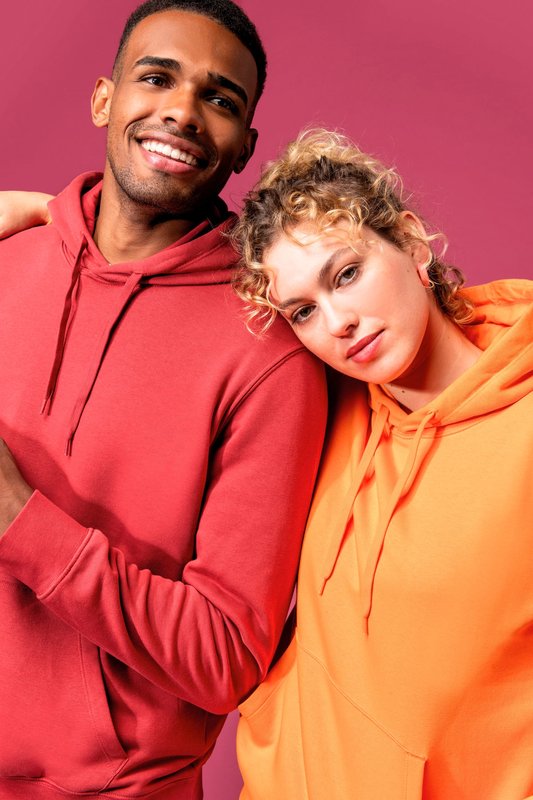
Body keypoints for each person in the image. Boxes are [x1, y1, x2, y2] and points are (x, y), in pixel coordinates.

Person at [0, 3, 327, 798]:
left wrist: (22, 523)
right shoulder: (8, 256)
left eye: (219, 98)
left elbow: (225, 657)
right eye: (156, 78)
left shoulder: (269, 351)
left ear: (243, 146)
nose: (182, 111)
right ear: (104, 99)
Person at [230, 128, 533, 800]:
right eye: (302, 311)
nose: (337, 322)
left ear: (412, 243)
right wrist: (44, 216)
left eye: (346, 274)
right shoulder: (326, 408)